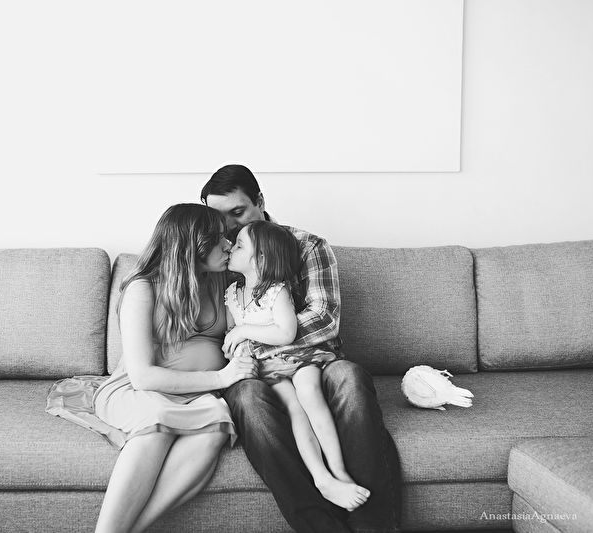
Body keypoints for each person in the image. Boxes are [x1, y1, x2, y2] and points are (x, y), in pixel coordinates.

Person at [201, 165, 402, 533]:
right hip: (255, 371)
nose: (228, 227)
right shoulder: (219, 255)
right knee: (248, 401)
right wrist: (249, 354)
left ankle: (372, 525)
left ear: (260, 201)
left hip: (316, 360)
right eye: (219, 217)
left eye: (238, 212)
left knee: (350, 379)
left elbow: (323, 319)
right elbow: (222, 331)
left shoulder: (307, 245)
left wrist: (258, 341)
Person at [92, 203, 258, 533]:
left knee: (216, 425)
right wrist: (222, 376)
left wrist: (242, 344)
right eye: (219, 239)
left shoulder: (220, 279)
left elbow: (241, 323)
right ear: (194, 246)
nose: (228, 245)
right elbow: (142, 376)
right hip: (141, 390)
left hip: (196, 394)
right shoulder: (142, 287)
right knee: (156, 422)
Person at [223, 220, 371, 512]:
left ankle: (339, 471)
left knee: (309, 393)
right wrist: (237, 349)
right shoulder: (231, 293)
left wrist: (244, 331)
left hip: (302, 357)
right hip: (268, 368)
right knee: (294, 409)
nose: (231, 248)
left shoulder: (277, 291)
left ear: (260, 259)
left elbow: (287, 333)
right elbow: (230, 339)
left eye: (239, 245)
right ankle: (321, 477)